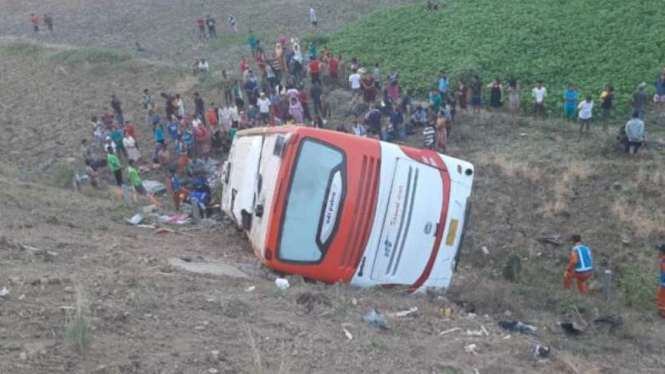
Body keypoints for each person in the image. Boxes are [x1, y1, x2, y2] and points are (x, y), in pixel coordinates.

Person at [656, 244, 665, 318]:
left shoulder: (663, 260)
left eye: (660, 250)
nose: (658, 252)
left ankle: (663, 312)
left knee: (661, 297)